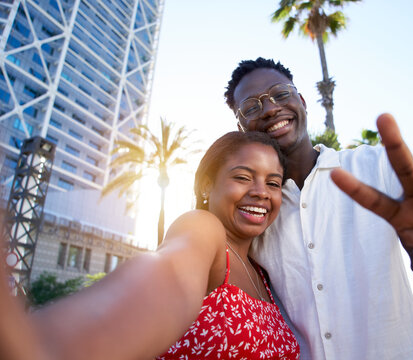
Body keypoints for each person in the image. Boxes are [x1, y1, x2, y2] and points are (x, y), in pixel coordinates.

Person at [224, 57, 413, 359]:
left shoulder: (374, 165)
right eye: (252, 107)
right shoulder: (254, 214)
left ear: (302, 101)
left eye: (280, 94)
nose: (269, 109)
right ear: (241, 126)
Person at [0, 131, 300, 360]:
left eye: (273, 183)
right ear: (208, 185)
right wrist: (48, 347)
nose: (261, 192)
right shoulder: (203, 228)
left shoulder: (263, 271)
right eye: (243, 177)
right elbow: (167, 277)